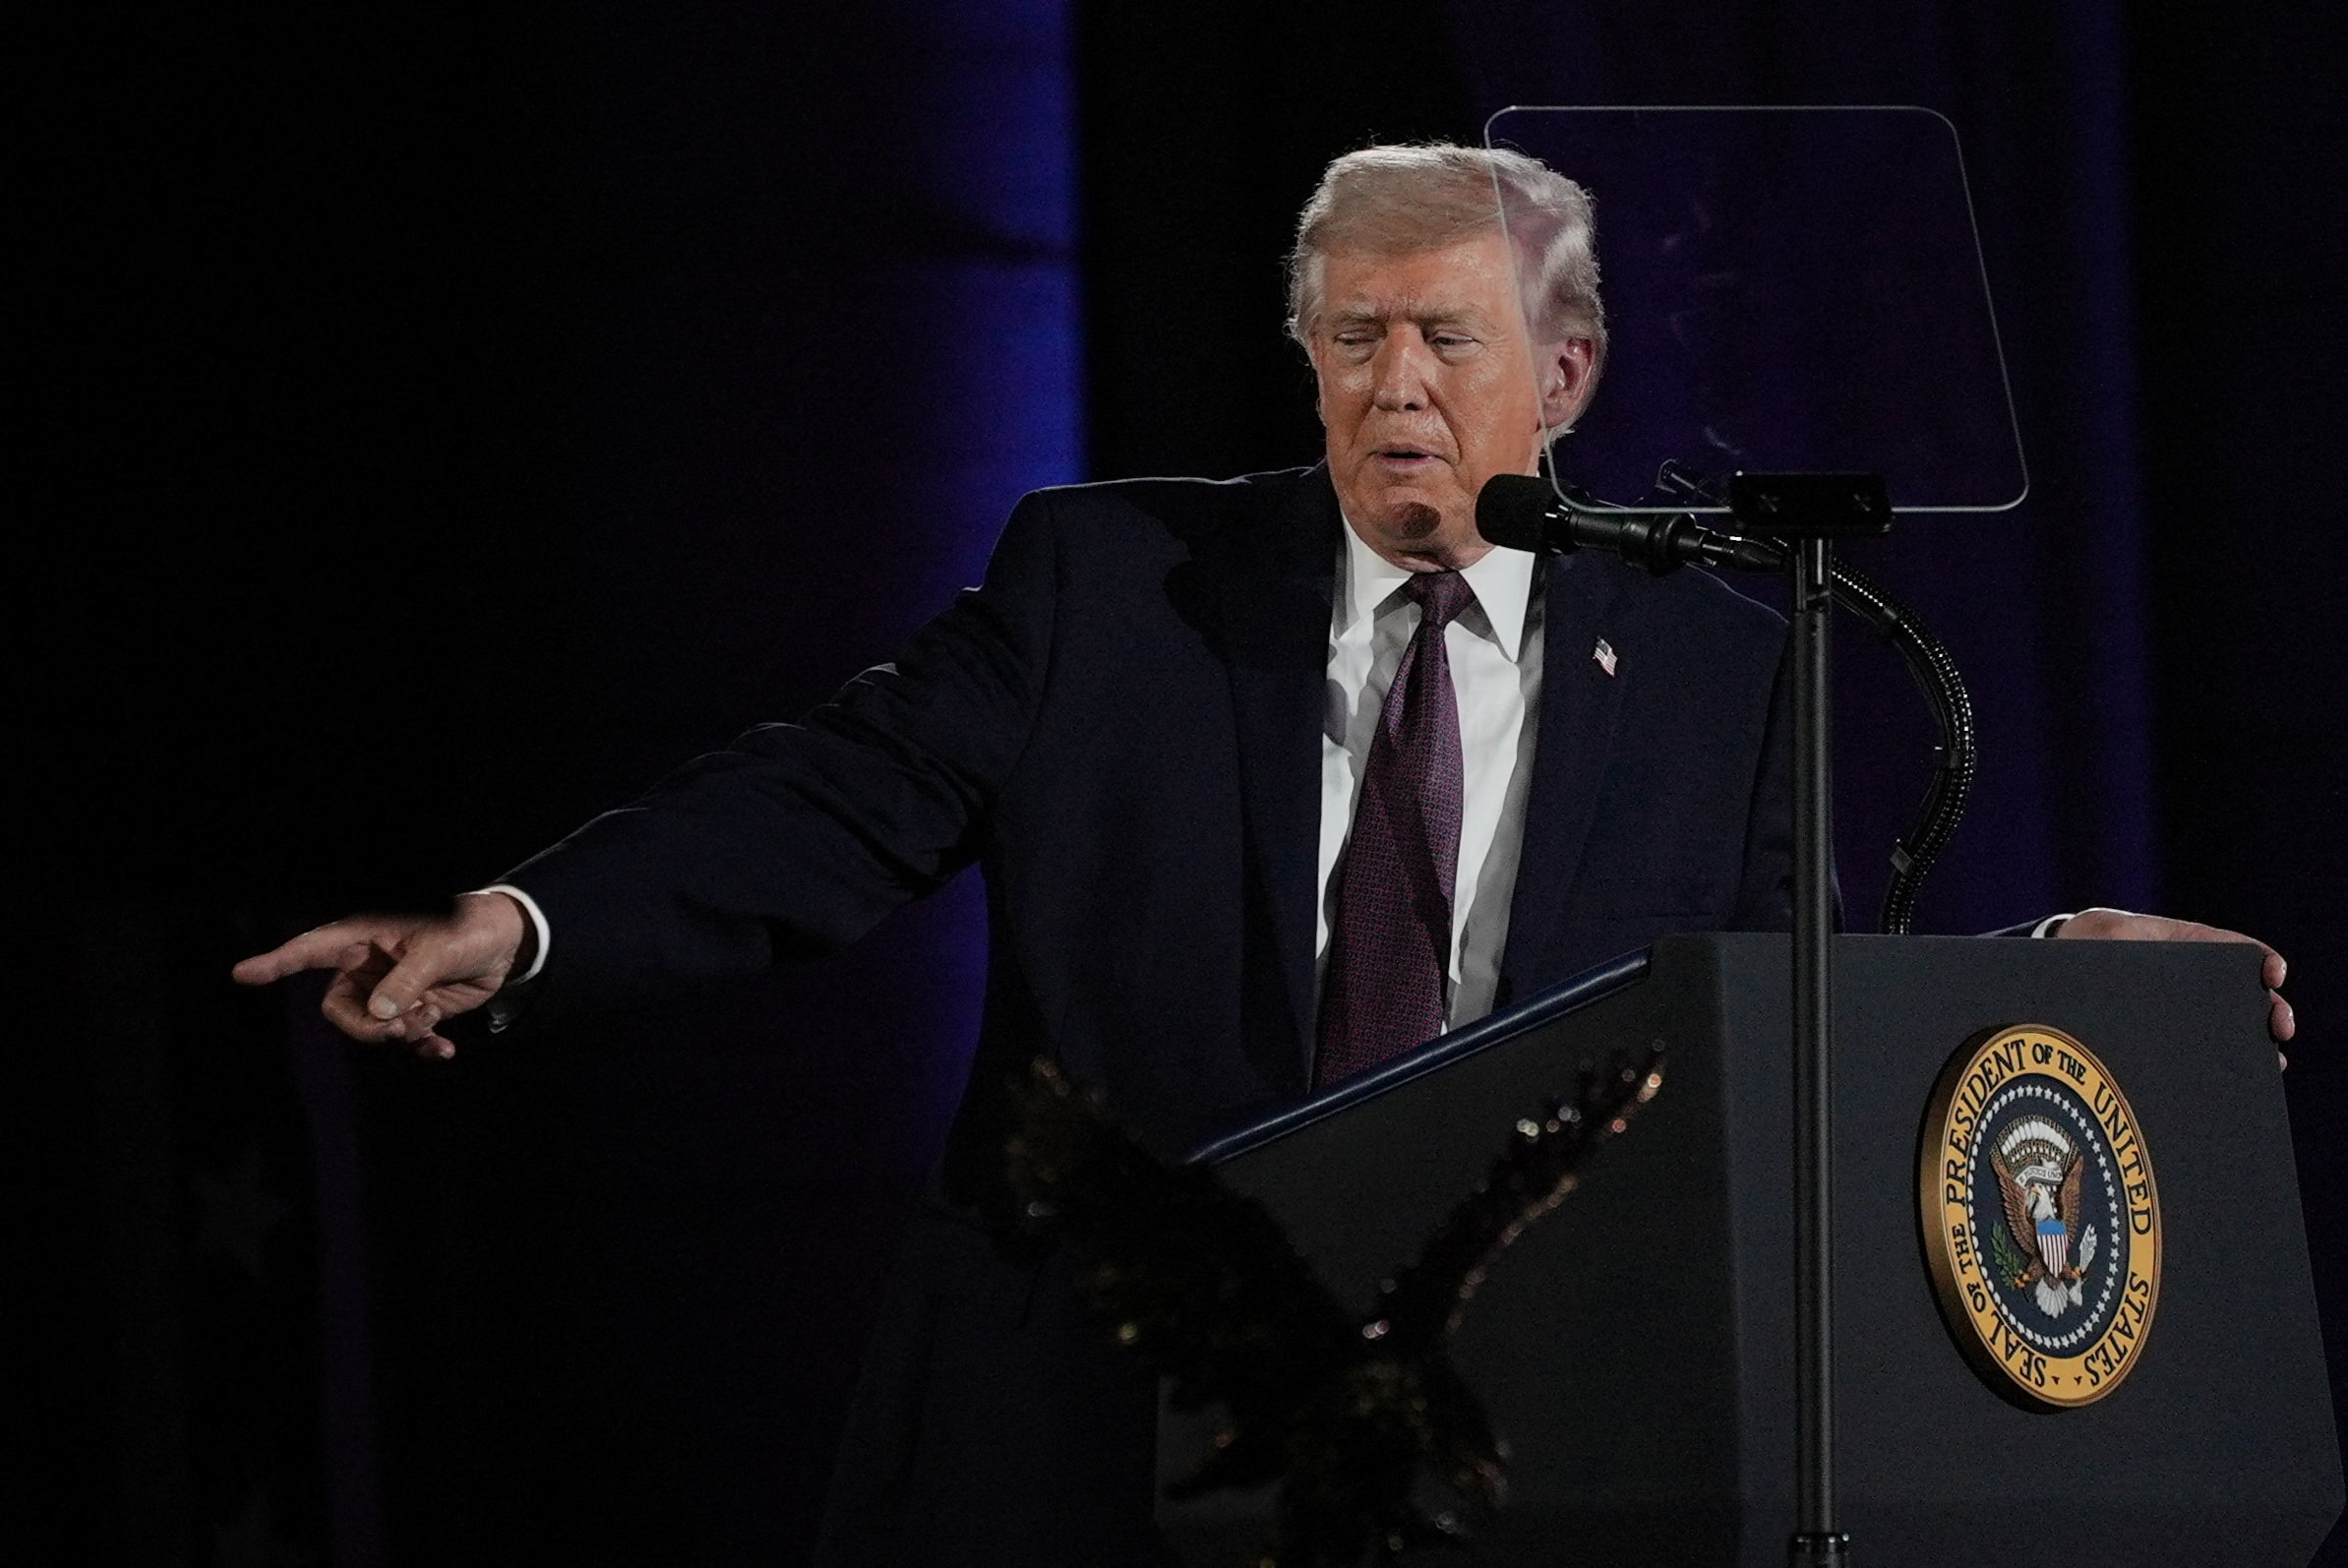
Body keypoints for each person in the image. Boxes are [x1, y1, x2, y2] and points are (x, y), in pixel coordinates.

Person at [234, 144, 2292, 1565]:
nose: (1394, 387)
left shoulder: (1725, 666)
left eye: (1448, 341)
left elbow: (1787, 1034)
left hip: (1518, 1435)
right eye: (1350, 336)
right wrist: (523, 922)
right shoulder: (1105, 582)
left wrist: (2054, 970)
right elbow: (830, 797)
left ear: (1563, 375)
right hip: (1111, 1424)